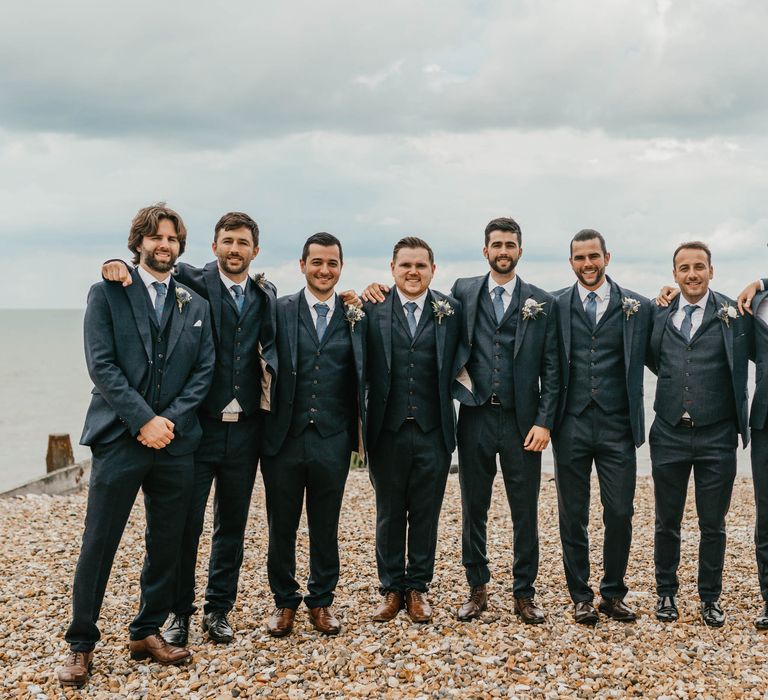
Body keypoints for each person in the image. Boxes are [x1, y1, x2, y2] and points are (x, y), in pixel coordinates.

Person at [57, 203, 215, 688]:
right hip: (120, 439)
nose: (164, 245)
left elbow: (203, 372)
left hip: (174, 442)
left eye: (171, 239)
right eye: (156, 238)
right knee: (99, 541)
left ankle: (146, 631)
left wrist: (167, 421)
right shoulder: (107, 293)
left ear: (180, 248)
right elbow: (101, 366)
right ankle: (81, 643)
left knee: (166, 543)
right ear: (138, 244)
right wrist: (143, 420)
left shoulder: (196, 304)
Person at [101, 211, 277, 645]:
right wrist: (114, 264)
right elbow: (148, 266)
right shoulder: (191, 281)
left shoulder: (265, 294)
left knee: (231, 525)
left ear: (255, 250)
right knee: (184, 525)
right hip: (198, 427)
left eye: (242, 243)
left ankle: (218, 610)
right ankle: (179, 611)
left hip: (247, 430)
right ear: (214, 246)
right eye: (227, 241)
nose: (234, 249)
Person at [451, 217, 558, 624]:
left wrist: (545, 421)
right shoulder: (462, 291)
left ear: (520, 250)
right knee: (473, 506)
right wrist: (375, 292)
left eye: (510, 245)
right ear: (485, 250)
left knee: (524, 510)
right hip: (475, 416)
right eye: (496, 244)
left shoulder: (541, 301)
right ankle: (476, 589)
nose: (503, 251)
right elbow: (424, 306)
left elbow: (552, 368)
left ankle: (524, 593)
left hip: (522, 422)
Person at [260, 232, 366, 637]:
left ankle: (321, 601)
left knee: (326, 525)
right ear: (302, 265)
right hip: (282, 438)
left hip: (332, 438)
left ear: (341, 268)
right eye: (317, 262)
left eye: (332, 263)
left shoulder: (356, 313)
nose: (325, 270)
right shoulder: (279, 309)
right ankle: (284, 602)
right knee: (281, 526)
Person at [648, 242, 750, 627]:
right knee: (666, 519)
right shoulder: (659, 313)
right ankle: (666, 593)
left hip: (717, 435)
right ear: (674, 274)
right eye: (684, 268)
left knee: (713, 523)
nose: (692, 274)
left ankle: (710, 598)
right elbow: (647, 355)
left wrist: (761, 282)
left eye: (699, 267)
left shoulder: (733, 314)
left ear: (711, 270)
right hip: (669, 431)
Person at [551, 229, 651, 625]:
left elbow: (666, 350)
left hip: (617, 426)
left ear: (607, 257)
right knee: (572, 514)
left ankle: (612, 593)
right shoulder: (554, 304)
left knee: (621, 511)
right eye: (580, 258)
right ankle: (579, 595)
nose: (587, 264)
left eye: (594, 256)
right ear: (571, 261)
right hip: (570, 424)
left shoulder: (638, 306)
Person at [364, 237, 461, 623]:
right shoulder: (372, 308)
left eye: (421, 265)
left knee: (425, 512)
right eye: (405, 265)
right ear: (392, 268)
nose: (413, 272)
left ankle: (418, 587)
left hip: (433, 428)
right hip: (385, 428)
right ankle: (391, 589)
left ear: (433, 270)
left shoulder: (450, 310)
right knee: (389, 511)